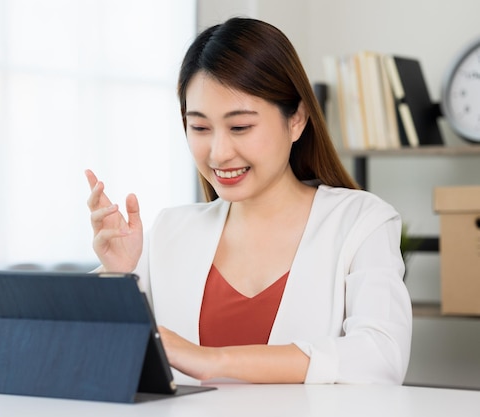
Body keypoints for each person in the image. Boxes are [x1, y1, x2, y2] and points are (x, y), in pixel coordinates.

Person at [85, 17, 412, 385]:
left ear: (297, 120)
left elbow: (380, 358)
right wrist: (118, 275)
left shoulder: (361, 222)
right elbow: (86, 356)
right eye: (200, 127)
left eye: (240, 127)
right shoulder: (167, 232)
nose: (219, 152)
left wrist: (212, 361)